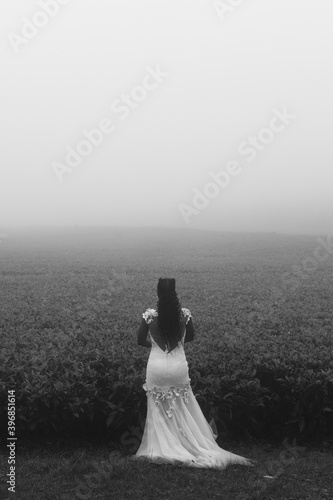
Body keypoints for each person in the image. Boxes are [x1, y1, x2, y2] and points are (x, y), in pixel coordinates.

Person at [133, 277, 254, 469]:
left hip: (156, 365)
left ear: (157, 292)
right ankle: (186, 442)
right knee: (181, 403)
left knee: (157, 405)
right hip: (178, 366)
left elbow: (140, 340)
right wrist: (177, 344)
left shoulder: (149, 316)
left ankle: (163, 445)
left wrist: (155, 347)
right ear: (174, 293)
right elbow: (191, 336)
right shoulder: (184, 315)